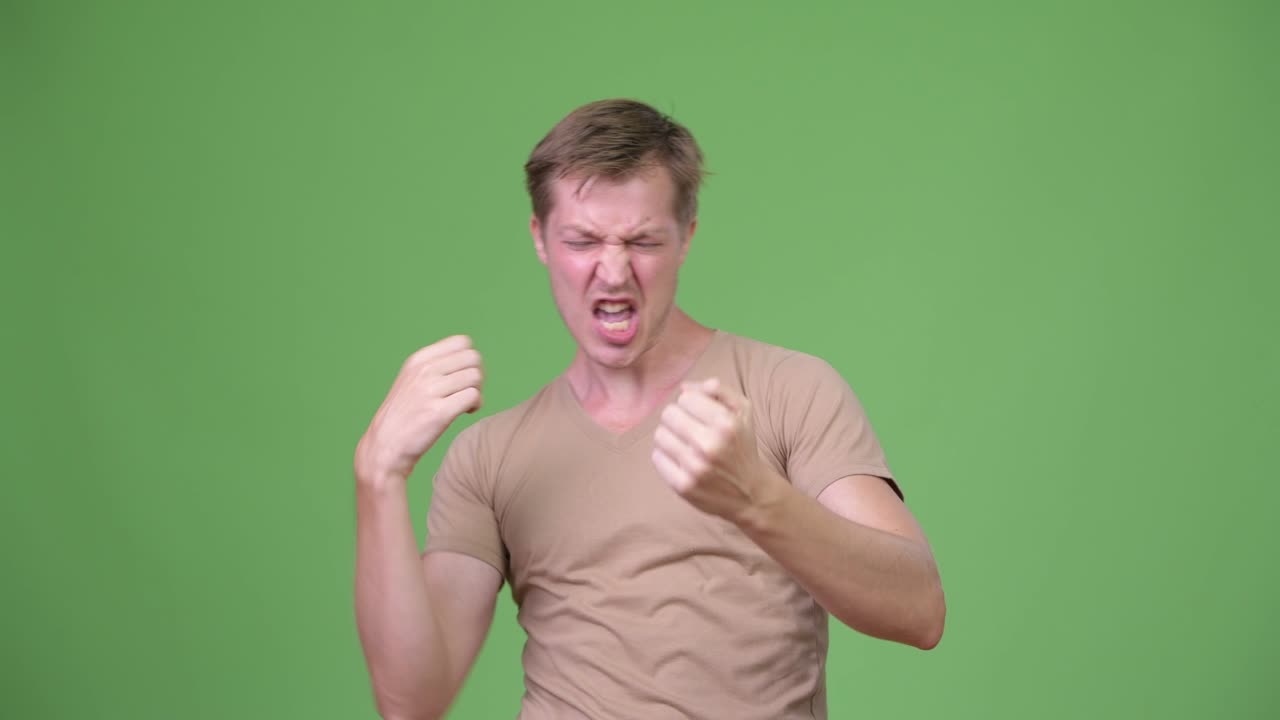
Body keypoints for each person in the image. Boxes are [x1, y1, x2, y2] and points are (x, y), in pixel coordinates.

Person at [353, 99, 945, 720]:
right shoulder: (489, 456)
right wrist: (379, 477)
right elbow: (411, 703)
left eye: (642, 241)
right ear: (540, 239)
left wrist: (755, 498)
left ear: (686, 236)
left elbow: (919, 609)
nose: (613, 272)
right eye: (582, 241)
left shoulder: (789, 390)